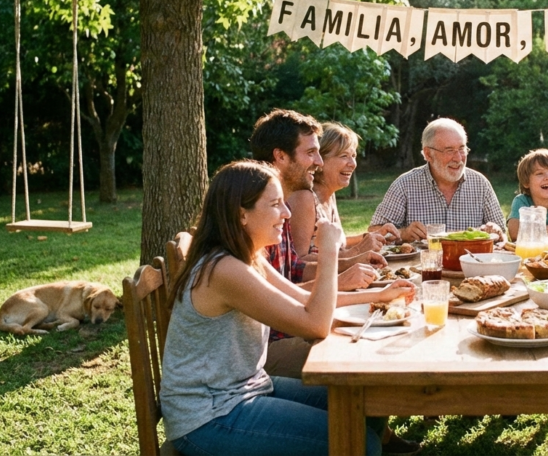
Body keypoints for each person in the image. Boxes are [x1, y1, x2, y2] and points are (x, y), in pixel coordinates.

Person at [160, 161, 409, 455]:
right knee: (362, 444)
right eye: (276, 205)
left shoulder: (245, 256)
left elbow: (303, 299)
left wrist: (378, 295)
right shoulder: (224, 270)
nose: (287, 214)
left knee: (368, 399)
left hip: (248, 387)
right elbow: (315, 323)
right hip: (210, 415)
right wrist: (328, 250)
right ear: (242, 214)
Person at [249, 110, 420, 455]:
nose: (316, 161)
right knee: (363, 355)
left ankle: (376, 436)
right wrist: (340, 266)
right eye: (311, 153)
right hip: (267, 350)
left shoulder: (274, 209)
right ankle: (371, 439)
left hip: (270, 342)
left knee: (367, 346)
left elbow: (292, 279)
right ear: (280, 157)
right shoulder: (258, 217)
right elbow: (300, 306)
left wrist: (372, 290)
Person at [368, 117, 505, 241]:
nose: (458, 158)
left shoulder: (480, 184)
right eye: (449, 150)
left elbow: (502, 234)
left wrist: (496, 231)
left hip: (471, 266)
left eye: (462, 149)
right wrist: (402, 233)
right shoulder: (405, 185)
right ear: (428, 154)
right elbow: (374, 232)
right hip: (421, 267)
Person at [289, 122, 400, 260]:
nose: (353, 164)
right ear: (321, 160)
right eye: (344, 156)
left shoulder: (329, 194)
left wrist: (372, 236)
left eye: (353, 156)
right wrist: (358, 251)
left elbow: (338, 244)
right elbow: (299, 261)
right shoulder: (304, 198)